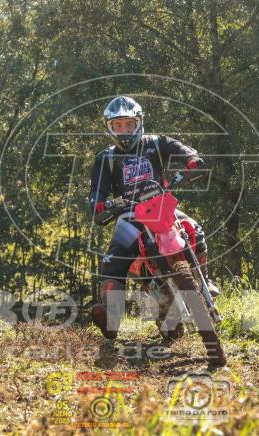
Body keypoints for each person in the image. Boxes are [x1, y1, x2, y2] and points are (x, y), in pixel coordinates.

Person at [88, 96, 219, 339]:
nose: (125, 131)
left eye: (129, 124)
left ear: (139, 123)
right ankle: (110, 315)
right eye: (118, 126)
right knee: (113, 260)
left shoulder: (157, 143)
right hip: (129, 215)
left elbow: (183, 151)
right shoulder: (105, 158)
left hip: (161, 207)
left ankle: (205, 281)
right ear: (110, 128)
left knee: (194, 229)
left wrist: (192, 161)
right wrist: (99, 205)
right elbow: (97, 192)